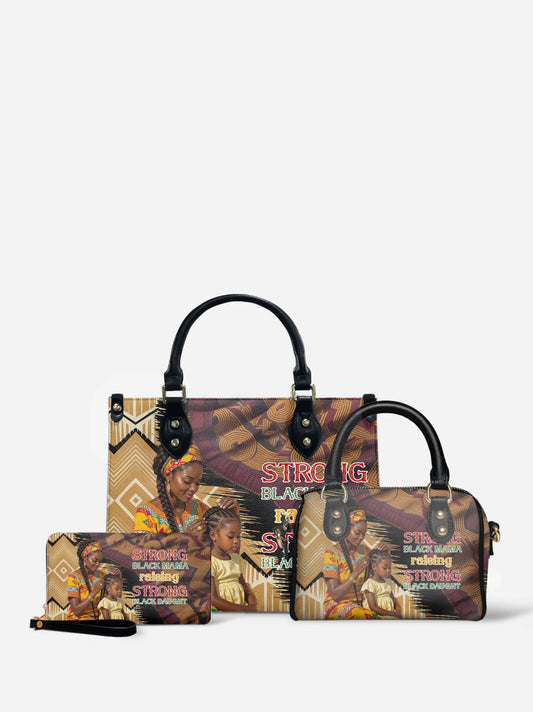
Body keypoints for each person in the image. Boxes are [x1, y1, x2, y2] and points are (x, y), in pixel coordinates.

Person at [133, 443, 238, 535]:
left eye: (197, 483)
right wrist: (187, 539)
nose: (194, 488)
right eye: (187, 481)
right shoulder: (146, 515)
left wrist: (232, 515)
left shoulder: (199, 508)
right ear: (169, 475)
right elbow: (143, 551)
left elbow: (224, 542)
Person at [322, 508, 388, 620]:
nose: (361, 537)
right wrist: (356, 572)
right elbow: (335, 595)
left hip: (361, 604)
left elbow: (380, 581)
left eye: (364, 534)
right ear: (345, 529)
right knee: (369, 617)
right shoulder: (331, 554)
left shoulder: (365, 551)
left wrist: (385, 557)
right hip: (337, 605)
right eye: (357, 533)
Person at [204, 506, 257, 612]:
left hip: (240, 611)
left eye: (238, 536)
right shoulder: (209, 562)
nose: (236, 541)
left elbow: (245, 589)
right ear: (213, 535)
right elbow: (213, 599)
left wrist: (253, 606)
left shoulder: (236, 559)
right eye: (231, 537)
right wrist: (244, 610)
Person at [67, 541, 106, 620]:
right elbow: (76, 611)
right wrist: (93, 593)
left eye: (100, 561)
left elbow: (112, 599)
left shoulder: (102, 575)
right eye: (94, 560)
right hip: (79, 619)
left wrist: (117, 579)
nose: (98, 564)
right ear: (85, 558)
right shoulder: (74, 577)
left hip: (98, 618)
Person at [361, 549, 402, 619]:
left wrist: (398, 610)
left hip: (390, 614)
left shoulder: (388, 582)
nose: (388, 571)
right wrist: (393, 614)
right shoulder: (370, 584)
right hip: (376, 615)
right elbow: (373, 607)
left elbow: (393, 600)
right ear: (374, 567)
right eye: (385, 568)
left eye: (389, 568)